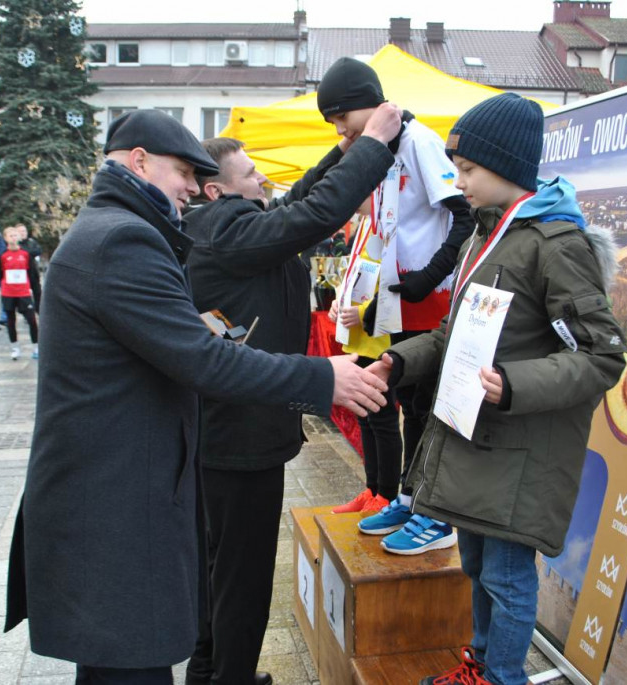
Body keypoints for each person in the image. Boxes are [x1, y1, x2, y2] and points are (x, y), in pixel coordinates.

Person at [4, 109, 388, 685]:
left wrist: (347, 152)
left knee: (134, 657)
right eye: (183, 171)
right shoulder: (121, 240)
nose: (191, 186)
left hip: (120, 495)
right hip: (113, 509)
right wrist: (321, 378)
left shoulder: (119, 229)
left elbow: (289, 212)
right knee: (130, 665)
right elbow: (202, 357)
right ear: (139, 160)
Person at [366, 93, 627, 685]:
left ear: (506, 166)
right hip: (477, 442)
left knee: (507, 577)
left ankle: (501, 674)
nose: (458, 182)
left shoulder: (557, 245)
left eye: (468, 169)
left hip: (521, 452)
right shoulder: (481, 238)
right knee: (478, 565)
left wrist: (512, 385)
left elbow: (602, 356)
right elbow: (454, 334)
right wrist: (398, 360)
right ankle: (480, 667)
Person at [183, 103, 401, 685]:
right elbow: (312, 213)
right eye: (251, 173)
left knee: (219, 567)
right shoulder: (229, 232)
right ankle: (230, 677)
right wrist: (375, 145)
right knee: (243, 575)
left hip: (230, 432)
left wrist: (344, 151)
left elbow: (296, 202)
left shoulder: (229, 228)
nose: (264, 181)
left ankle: (209, 672)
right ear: (214, 189)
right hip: (241, 438)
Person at [317, 58, 473, 535]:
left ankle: (427, 508)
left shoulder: (421, 140)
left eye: (342, 118)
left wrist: (430, 275)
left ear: (363, 104)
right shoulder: (384, 148)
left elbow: (462, 216)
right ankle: (405, 496)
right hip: (394, 302)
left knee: (422, 409)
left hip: (425, 299)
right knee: (401, 404)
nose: (342, 130)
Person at [327, 206, 404, 525]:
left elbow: (401, 283)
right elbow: (356, 275)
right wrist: (339, 301)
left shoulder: (393, 223)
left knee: (383, 419)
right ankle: (371, 489)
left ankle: (387, 495)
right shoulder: (363, 225)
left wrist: (365, 312)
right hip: (359, 338)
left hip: (382, 338)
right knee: (366, 417)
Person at [0, 226, 39, 360]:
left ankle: (36, 347)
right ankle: (15, 347)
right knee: (11, 321)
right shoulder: (3, 256)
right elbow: (0, 273)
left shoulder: (25, 255)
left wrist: (33, 289)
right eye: (11, 235)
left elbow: (32, 274)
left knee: (32, 320)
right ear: (5, 238)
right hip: (8, 293)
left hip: (23, 293)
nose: (13, 238)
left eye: (15, 235)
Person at [16, 224, 43, 313]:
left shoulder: (31, 241)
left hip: (33, 272)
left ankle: (39, 310)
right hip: (23, 274)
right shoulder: (16, 245)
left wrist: (28, 253)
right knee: (24, 296)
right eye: (20, 231)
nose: (23, 233)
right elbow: (23, 254)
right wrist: (29, 253)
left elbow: (38, 250)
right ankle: (27, 311)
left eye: (24, 231)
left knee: (38, 293)